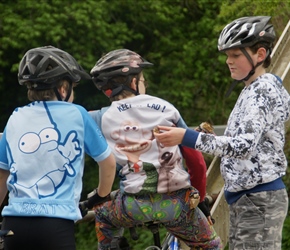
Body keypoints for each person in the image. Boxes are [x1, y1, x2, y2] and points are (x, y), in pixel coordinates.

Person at [154, 16, 290, 250]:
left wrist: (186, 137)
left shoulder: (261, 91)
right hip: (249, 198)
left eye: (236, 55)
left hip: (257, 199)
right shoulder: (254, 89)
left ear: (259, 54)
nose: (229, 61)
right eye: (227, 55)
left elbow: (243, 146)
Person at [88, 49, 222, 249]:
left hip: (133, 206)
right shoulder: (166, 107)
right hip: (178, 204)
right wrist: (199, 198)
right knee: (211, 245)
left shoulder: (99, 117)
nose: (145, 84)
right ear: (133, 83)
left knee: (103, 216)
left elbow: (106, 162)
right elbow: (196, 161)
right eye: (143, 79)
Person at [0, 46, 116, 250]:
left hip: (13, 224)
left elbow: (2, 173)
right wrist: (99, 195)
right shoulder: (78, 114)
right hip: (55, 225)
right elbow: (107, 162)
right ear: (63, 89)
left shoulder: (15, 116)